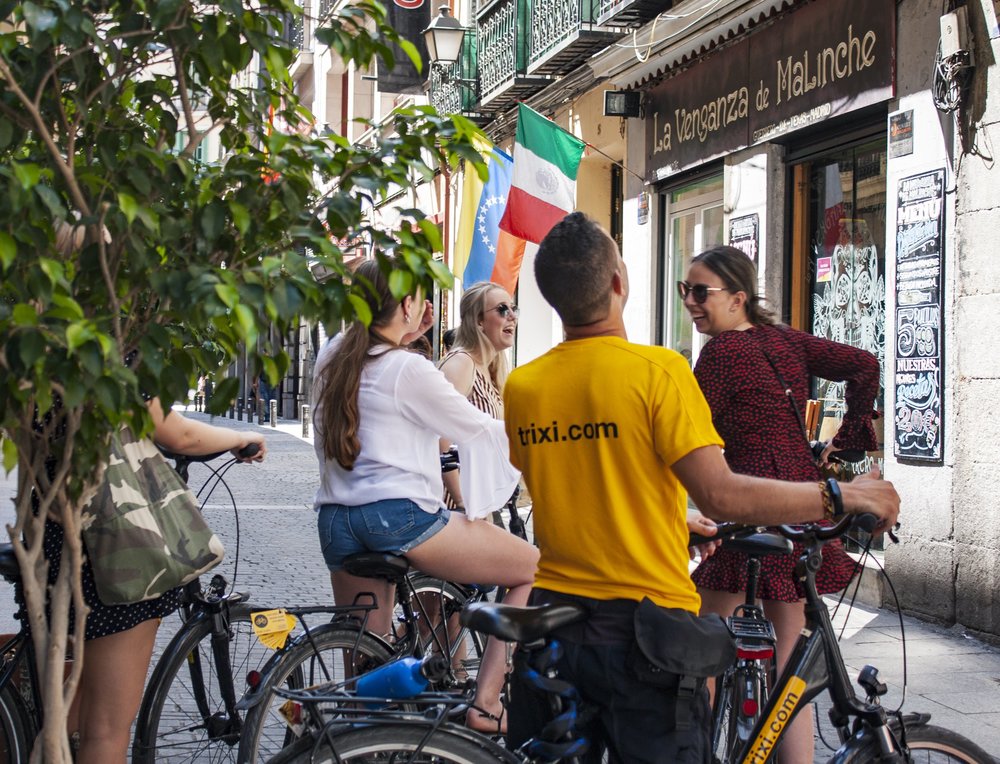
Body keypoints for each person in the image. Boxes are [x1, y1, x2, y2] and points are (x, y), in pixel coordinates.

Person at [503, 212, 899, 763]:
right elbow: (721, 495)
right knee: (777, 646)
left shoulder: (523, 385)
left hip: (556, 619)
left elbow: (583, 481)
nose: (689, 298)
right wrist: (842, 494)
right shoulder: (659, 371)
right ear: (619, 282)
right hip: (640, 629)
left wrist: (674, 521)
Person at [311, 259, 539, 733]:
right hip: (398, 519)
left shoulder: (332, 354)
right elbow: (476, 430)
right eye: (420, 300)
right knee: (531, 565)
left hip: (336, 520)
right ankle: (487, 703)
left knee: (366, 665)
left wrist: (411, 330)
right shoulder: (407, 369)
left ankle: (362, 740)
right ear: (409, 304)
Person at [683, 244, 880, 763]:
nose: (691, 302)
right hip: (801, 501)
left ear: (738, 297)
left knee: (704, 645)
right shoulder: (784, 340)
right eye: (685, 291)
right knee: (791, 655)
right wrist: (851, 439)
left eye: (700, 292)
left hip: (748, 500)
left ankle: (693, 752)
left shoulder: (720, 355)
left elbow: (686, 437)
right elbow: (865, 365)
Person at [43, 401, 266, 762]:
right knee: (105, 730)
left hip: (50, 536)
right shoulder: (116, 347)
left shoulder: (32, 349)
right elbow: (180, 434)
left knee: (62, 715)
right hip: (111, 544)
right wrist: (241, 436)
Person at [438, 282, 517, 518]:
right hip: (454, 507)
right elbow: (440, 444)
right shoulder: (461, 364)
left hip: (480, 503)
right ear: (479, 321)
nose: (512, 316)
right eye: (502, 309)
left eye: (513, 308)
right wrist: (464, 503)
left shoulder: (494, 367)